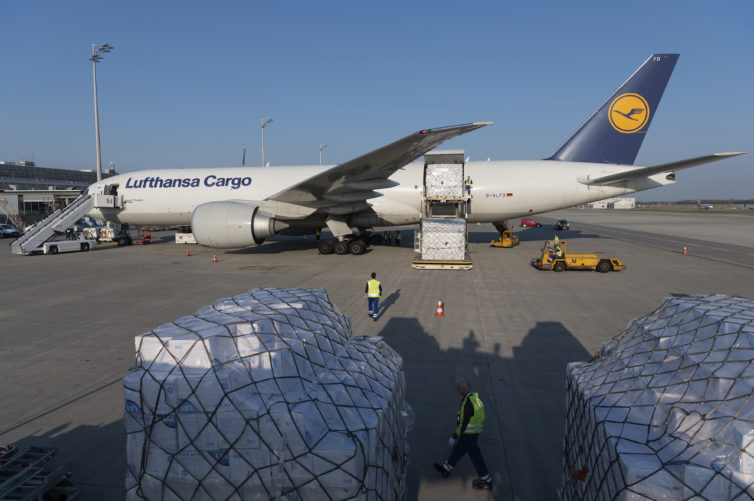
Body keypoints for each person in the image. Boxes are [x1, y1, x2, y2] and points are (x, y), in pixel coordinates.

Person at [433, 380, 492, 490]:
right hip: (473, 434)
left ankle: (487, 481)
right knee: (458, 450)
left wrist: (455, 436)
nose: (457, 390)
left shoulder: (467, 404)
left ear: (462, 390)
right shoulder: (476, 399)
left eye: (458, 388)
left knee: (476, 458)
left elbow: (463, 424)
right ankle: (446, 469)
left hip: (468, 435)